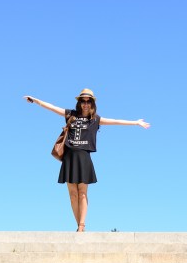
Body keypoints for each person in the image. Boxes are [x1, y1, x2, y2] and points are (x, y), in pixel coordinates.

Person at [24, 89, 150, 232]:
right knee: (72, 194)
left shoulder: (95, 119)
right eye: (82, 101)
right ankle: (80, 227)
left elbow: (115, 121)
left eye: (88, 101)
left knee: (82, 193)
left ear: (92, 103)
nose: (85, 104)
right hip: (69, 158)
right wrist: (35, 100)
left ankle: (81, 225)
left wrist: (135, 123)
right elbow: (52, 107)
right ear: (79, 103)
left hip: (84, 157)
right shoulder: (70, 114)